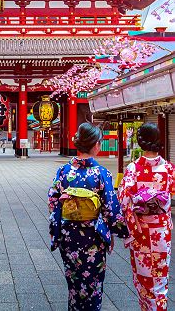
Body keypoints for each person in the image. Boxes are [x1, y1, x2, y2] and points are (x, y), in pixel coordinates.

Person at [48, 122, 128, 311]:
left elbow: (53, 201)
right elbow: (110, 208)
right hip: (93, 237)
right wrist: (122, 232)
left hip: (68, 235)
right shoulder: (101, 173)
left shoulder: (64, 171)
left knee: (74, 284)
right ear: (95, 145)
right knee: (93, 286)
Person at [118, 123, 175, 311]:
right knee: (160, 280)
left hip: (141, 231)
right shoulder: (168, 169)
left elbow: (124, 201)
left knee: (144, 281)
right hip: (161, 232)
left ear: (139, 141)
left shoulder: (133, 169)